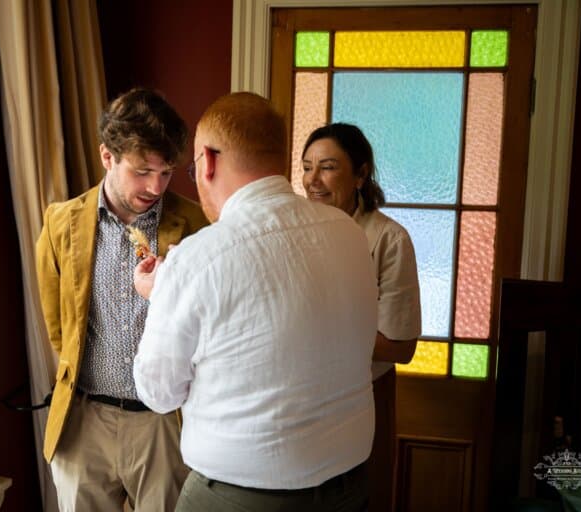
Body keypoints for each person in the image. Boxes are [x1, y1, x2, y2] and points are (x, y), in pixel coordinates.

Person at [132, 92, 379, 512]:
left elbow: (158, 392)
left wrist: (162, 297)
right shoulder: (349, 233)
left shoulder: (196, 260)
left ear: (207, 161)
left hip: (241, 497)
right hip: (350, 488)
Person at [35, 87, 208, 512]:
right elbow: (60, 329)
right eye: (142, 171)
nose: (155, 186)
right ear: (107, 157)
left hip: (165, 424)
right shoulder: (60, 224)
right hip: (84, 421)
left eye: (166, 172)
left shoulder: (197, 225)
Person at [302, 123, 422, 512]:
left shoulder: (389, 238)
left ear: (361, 173)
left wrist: (321, 332)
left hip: (364, 397)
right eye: (306, 167)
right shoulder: (293, 234)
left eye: (328, 167)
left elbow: (401, 347)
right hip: (300, 397)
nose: (313, 180)